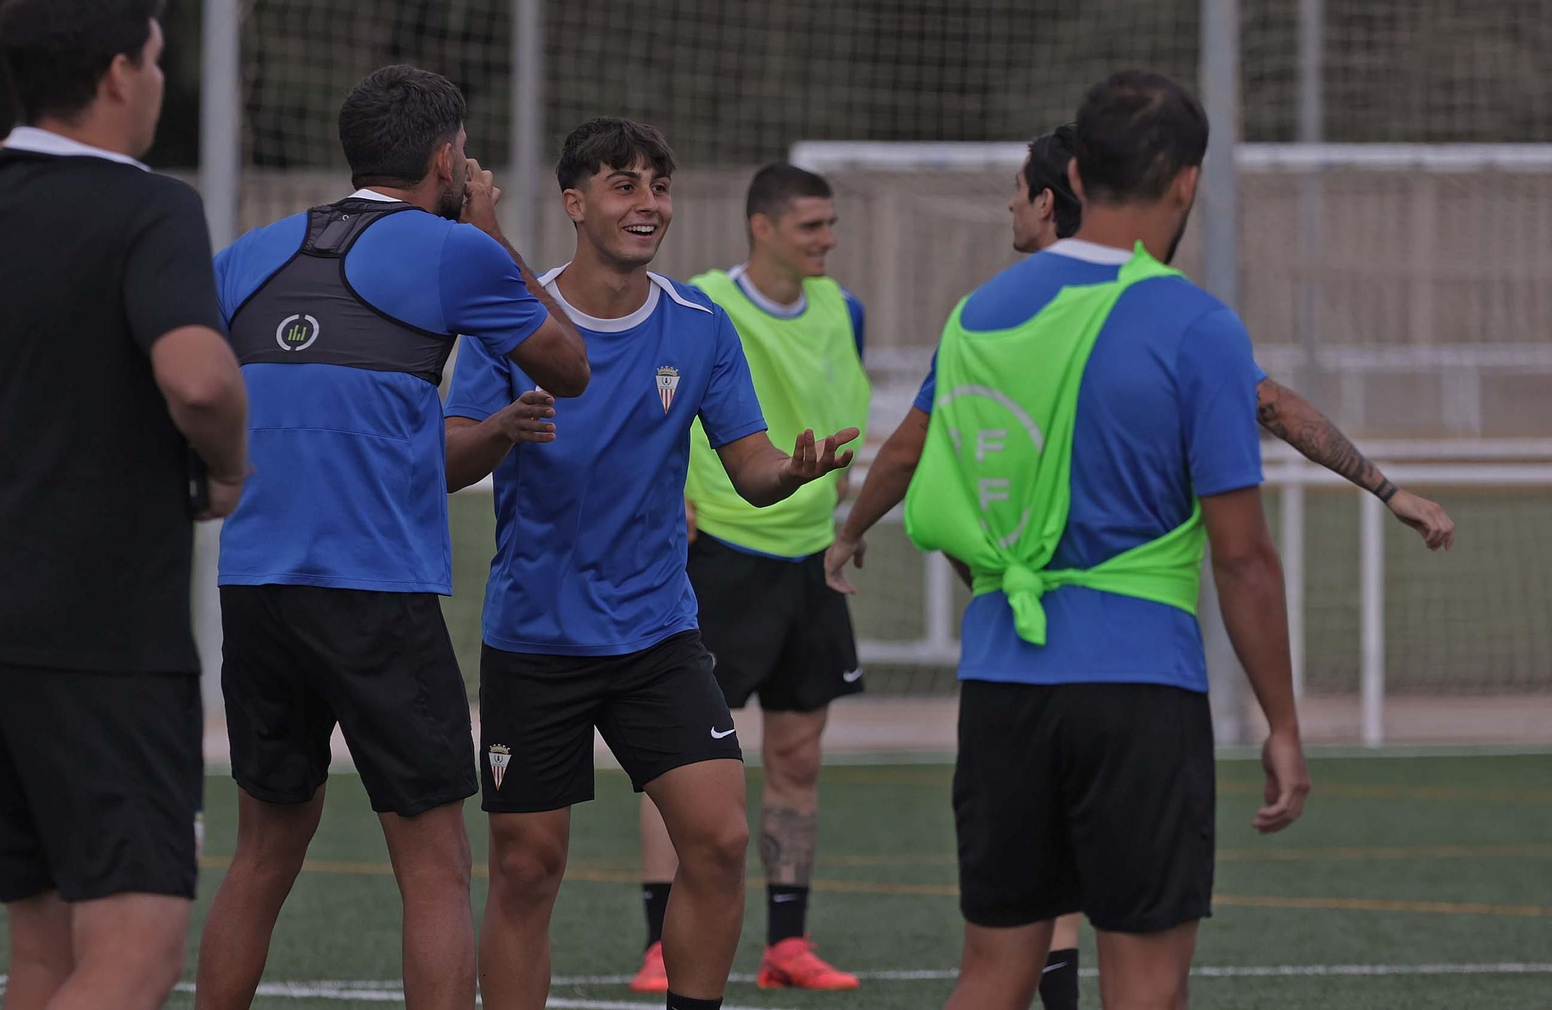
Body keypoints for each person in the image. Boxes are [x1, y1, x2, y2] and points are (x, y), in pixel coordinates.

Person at [831, 125, 1459, 1010]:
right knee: (1146, 982)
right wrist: (1385, 490)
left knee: (989, 971)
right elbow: (1252, 492)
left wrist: (849, 529)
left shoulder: (980, 317)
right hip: (1134, 679)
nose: (1008, 204)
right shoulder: (1178, 318)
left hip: (1006, 673)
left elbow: (909, 451)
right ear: (1182, 185)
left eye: (1017, 188)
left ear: (1059, 193)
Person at [443, 118, 859, 1010]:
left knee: (717, 839)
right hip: (536, 638)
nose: (648, 205)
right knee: (526, 867)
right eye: (624, 185)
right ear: (574, 202)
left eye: (659, 188)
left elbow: (749, 469)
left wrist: (792, 470)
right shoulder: (507, 318)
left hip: (656, 635)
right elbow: (444, 461)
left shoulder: (700, 326)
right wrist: (497, 431)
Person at [193, 65, 585, 1010]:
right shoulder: (458, 251)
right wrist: (489, 231)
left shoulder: (246, 253)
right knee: (437, 864)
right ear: (448, 157)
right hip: (375, 592)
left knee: (260, 853)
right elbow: (569, 366)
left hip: (254, 586)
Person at [0, 1, 249, 1008]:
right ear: (115, 74)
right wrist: (228, 464)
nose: (156, 81)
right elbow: (198, 378)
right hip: (100, 632)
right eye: (153, 60)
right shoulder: (148, 208)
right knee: (135, 950)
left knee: (46, 950)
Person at [627, 163, 870, 994]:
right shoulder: (695, 302)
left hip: (809, 558)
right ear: (761, 227)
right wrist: (674, 495)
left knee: (798, 756)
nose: (827, 239)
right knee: (681, 757)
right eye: (812, 225)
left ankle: (786, 943)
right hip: (721, 554)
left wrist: (847, 523)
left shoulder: (845, 311)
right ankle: (662, 940)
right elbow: (646, 399)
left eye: (831, 224)